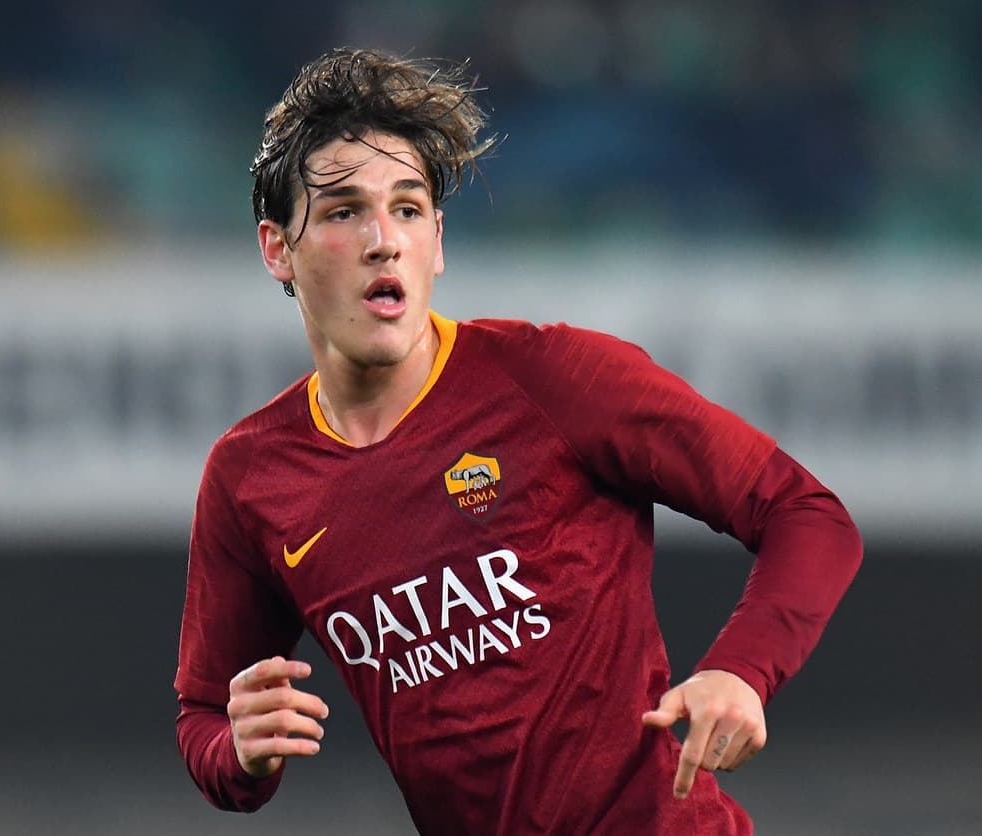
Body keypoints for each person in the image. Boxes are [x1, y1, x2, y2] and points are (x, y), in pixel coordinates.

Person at [174, 46, 862, 835]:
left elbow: (807, 513)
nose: (382, 240)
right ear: (276, 249)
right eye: (341, 212)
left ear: (437, 240)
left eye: (407, 208)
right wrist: (239, 751)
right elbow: (204, 717)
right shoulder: (250, 476)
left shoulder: (554, 376)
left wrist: (742, 673)